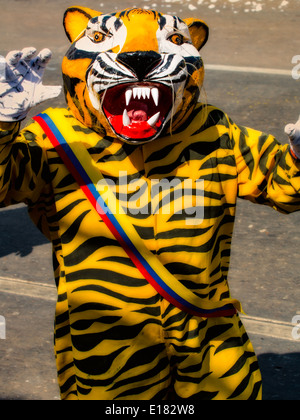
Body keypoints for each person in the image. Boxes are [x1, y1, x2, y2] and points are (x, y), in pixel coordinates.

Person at [0, 6, 300, 400]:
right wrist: (4, 126)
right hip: (106, 338)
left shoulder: (215, 131)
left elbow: (282, 187)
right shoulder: (54, 137)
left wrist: (296, 159)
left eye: (175, 42)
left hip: (206, 334)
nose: (141, 59)